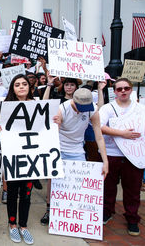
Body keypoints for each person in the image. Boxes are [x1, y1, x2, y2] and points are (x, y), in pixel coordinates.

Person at [40, 87, 109, 226]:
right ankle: (50, 208)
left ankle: (73, 210)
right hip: (60, 147)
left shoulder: (92, 110)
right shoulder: (62, 109)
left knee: (78, 183)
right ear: (74, 101)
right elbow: (53, 134)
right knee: (54, 181)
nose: (83, 110)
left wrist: (105, 161)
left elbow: (99, 136)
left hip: (77, 149)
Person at [0, 74, 35, 244]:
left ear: (29, 87)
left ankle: (23, 225)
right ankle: (12, 224)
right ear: (13, 88)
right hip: (12, 157)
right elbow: (2, 130)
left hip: (32, 157)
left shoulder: (37, 105)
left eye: (24, 84)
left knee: (26, 193)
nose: (21, 87)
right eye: (17, 85)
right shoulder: (6, 107)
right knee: (12, 192)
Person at [99, 78, 143, 236]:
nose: (123, 91)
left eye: (126, 88)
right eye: (119, 89)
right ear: (114, 91)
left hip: (134, 155)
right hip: (111, 153)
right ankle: (106, 212)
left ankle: (132, 218)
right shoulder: (107, 108)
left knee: (133, 189)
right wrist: (123, 134)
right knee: (108, 187)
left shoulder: (140, 108)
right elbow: (100, 127)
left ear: (131, 89)